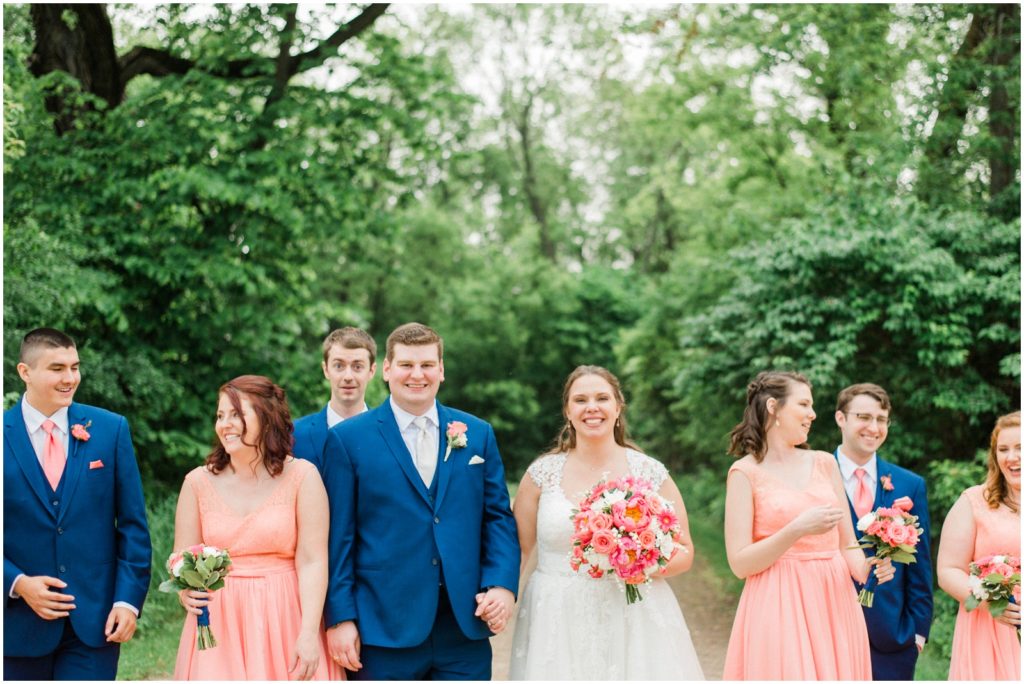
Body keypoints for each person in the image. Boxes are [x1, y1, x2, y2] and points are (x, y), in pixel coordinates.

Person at [320, 322, 520, 680]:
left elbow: (497, 519)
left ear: (441, 370)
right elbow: (339, 538)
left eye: (427, 365)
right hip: (383, 628)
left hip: (463, 626)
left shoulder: (477, 434)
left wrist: (502, 585)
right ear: (386, 370)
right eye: (406, 365)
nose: (417, 374)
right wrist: (340, 618)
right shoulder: (347, 440)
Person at [509, 365, 705, 680]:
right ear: (567, 411)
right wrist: (501, 596)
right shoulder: (541, 474)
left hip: (632, 615)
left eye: (602, 398)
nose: (592, 407)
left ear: (617, 407)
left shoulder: (649, 472)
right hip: (556, 615)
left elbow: (685, 550)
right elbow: (518, 549)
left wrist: (639, 563)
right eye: (580, 400)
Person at [722, 371, 894, 680]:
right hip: (777, 600)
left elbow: (848, 544)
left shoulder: (823, 462)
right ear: (774, 406)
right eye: (804, 404)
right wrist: (795, 529)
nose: (813, 414)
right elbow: (739, 562)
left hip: (834, 599)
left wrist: (870, 569)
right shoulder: (744, 473)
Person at [3, 327, 151, 680]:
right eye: (57, 368)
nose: (70, 378)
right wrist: (17, 582)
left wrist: (127, 602)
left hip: (94, 625)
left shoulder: (110, 429)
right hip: (13, 628)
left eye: (75, 367)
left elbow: (132, 525)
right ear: (25, 372)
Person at [172, 375, 339, 680]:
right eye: (221, 415)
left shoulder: (302, 476)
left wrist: (308, 633)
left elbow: (313, 561)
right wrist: (186, 592)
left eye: (237, 414)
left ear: (266, 418)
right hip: (221, 621)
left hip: (285, 615)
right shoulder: (197, 482)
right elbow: (181, 555)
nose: (225, 424)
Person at [833, 383, 933, 679]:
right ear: (841, 418)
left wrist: (918, 635)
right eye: (864, 417)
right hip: (828, 627)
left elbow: (920, 566)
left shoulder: (909, 485)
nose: (873, 428)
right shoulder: (814, 476)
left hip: (892, 639)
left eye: (881, 419)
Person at [937, 410, 1020, 681]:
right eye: (1003, 449)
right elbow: (948, 571)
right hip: (990, 627)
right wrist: (989, 603)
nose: (1012, 457)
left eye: (1020, 447)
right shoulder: (974, 502)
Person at [294, 327, 377, 473]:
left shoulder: (389, 435)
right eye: (339, 366)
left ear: (371, 371)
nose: (348, 376)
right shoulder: (295, 435)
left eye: (357, 366)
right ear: (326, 369)